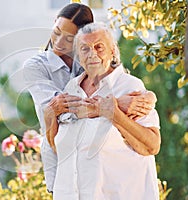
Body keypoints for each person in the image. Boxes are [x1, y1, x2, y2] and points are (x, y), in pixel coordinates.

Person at [23, 3, 157, 193]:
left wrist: (150, 97)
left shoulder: (88, 61)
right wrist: (117, 104)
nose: (60, 42)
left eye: (69, 38)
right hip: (58, 155)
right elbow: (59, 108)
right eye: (57, 31)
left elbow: (118, 80)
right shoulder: (36, 66)